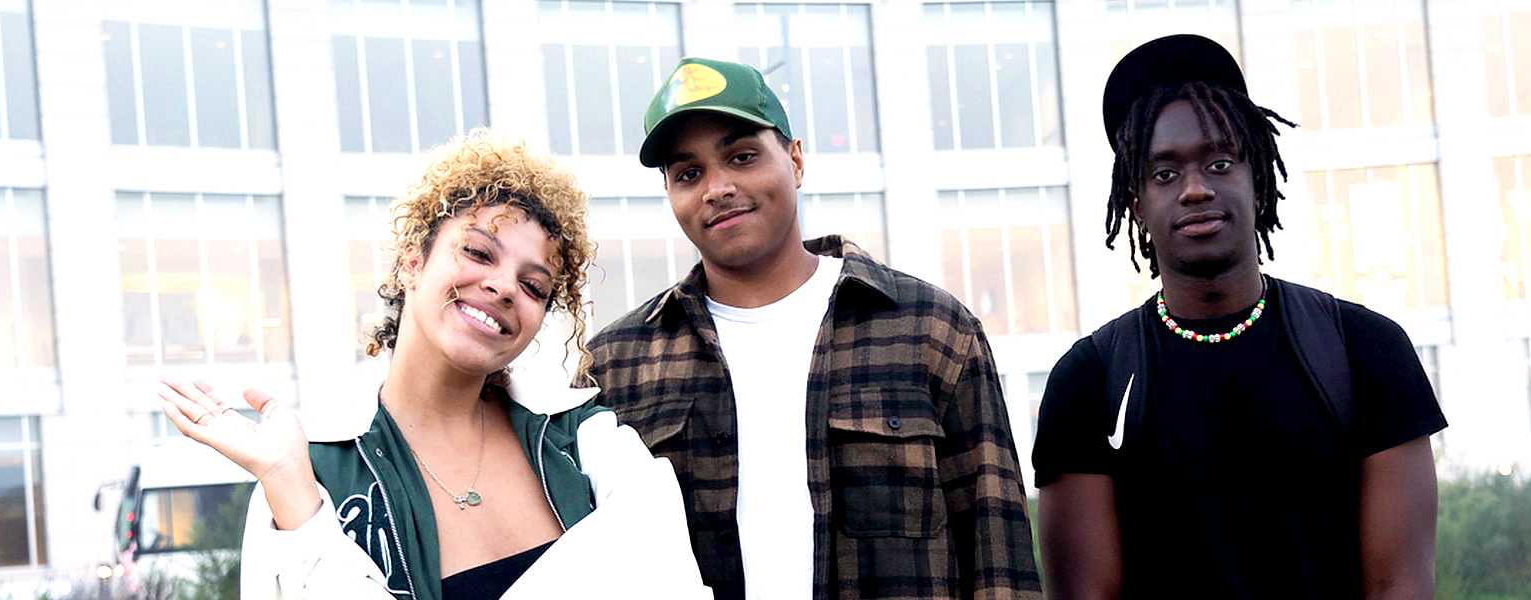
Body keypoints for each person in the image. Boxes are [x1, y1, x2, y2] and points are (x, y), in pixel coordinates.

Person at [158, 130, 708, 599]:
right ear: (412, 262)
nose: (501, 286)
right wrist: (289, 487)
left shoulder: (591, 448)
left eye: (533, 285)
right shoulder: (315, 474)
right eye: (478, 252)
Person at [584, 57, 1041, 600]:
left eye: (743, 156)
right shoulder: (615, 364)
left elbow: (1000, 561)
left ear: (795, 161)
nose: (717, 187)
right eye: (688, 174)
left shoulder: (931, 329)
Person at [1031, 35, 1447, 599]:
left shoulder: (1364, 349)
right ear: (1136, 202)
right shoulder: (1089, 381)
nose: (1195, 189)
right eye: (1164, 174)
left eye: (1219, 162)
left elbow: (1399, 585)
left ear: (1258, 180)